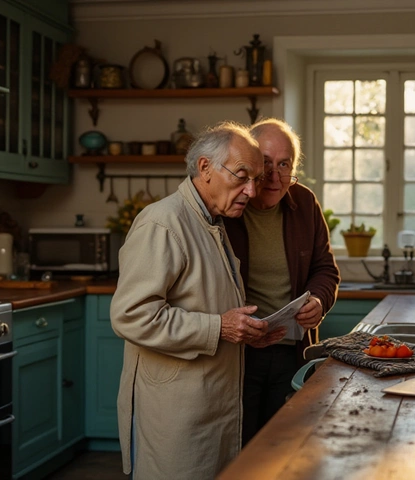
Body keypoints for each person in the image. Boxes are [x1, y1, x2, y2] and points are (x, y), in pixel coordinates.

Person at [110, 121, 287, 480]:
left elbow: (209, 306)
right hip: (177, 412)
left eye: (255, 179)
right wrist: (219, 327)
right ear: (205, 168)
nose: (251, 191)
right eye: (241, 176)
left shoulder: (212, 221)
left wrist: (246, 332)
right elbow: (131, 316)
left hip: (209, 404)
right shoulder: (163, 222)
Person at [223, 118, 340, 446]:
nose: (274, 176)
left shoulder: (304, 203)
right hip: (238, 355)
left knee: (287, 446)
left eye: (284, 164)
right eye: (266, 163)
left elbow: (325, 270)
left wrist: (318, 300)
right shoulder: (226, 206)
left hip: (293, 350)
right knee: (241, 447)